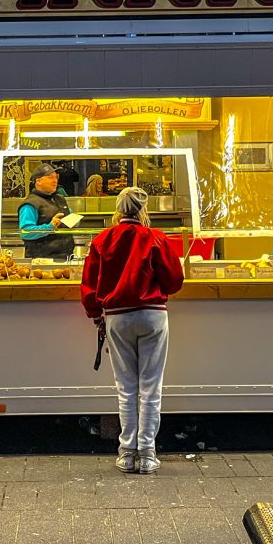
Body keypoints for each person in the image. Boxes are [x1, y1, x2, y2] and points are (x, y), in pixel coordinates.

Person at [80, 187, 184, 474]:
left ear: (117, 210)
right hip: (152, 316)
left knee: (126, 388)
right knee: (151, 387)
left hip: (116, 318)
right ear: (143, 211)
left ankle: (126, 453)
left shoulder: (102, 240)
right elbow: (174, 281)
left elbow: (89, 285)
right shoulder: (156, 238)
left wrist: (94, 313)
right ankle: (148, 454)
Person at [18, 162, 75, 259]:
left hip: (67, 258)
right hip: (42, 261)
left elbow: (68, 217)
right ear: (38, 181)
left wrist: (73, 220)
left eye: (56, 177)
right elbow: (25, 232)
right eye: (50, 177)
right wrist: (50, 226)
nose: (55, 180)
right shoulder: (30, 204)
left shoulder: (60, 198)